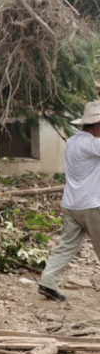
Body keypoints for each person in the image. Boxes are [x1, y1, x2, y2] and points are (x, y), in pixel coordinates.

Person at [38, 101, 100, 301]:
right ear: (98, 125)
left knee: (66, 246)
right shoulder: (92, 144)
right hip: (90, 205)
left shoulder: (73, 141)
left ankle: (47, 282)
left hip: (70, 204)